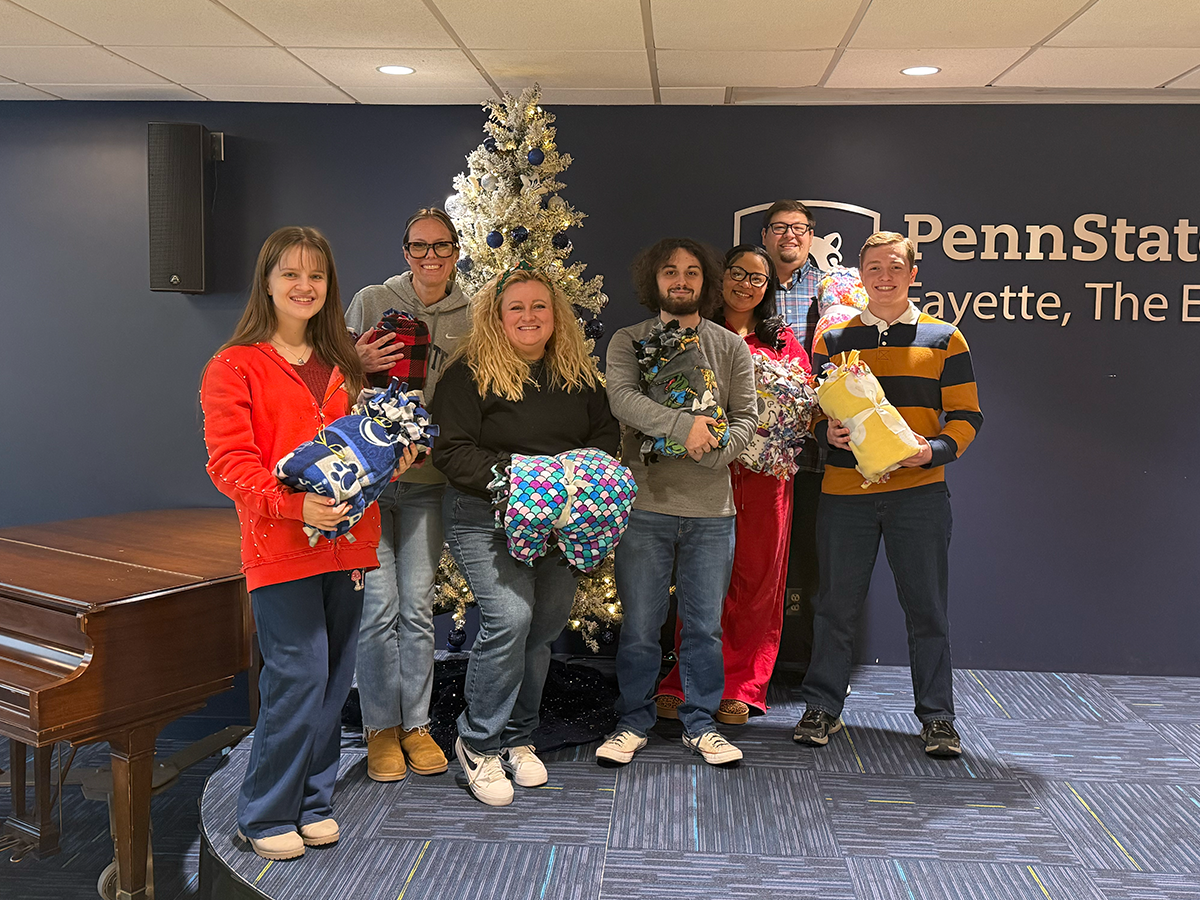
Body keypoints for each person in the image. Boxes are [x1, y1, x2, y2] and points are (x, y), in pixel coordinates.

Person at [201, 226, 419, 860]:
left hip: (349, 547)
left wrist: (392, 460)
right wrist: (297, 506)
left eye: (316, 276)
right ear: (267, 282)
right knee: (295, 678)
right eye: (291, 274)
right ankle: (265, 811)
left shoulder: (344, 365)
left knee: (332, 679)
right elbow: (230, 466)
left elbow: (364, 447)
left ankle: (313, 801)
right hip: (281, 548)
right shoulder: (233, 365)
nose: (304, 287)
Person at [432, 265, 620, 806]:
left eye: (539, 306)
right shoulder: (469, 375)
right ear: (496, 316)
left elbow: (605, 436)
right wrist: (526, 480)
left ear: (555, 315)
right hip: (485, 516)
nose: (529, 316)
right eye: (516, 307)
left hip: (563, 518)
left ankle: (519, 735)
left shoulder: (576, 375)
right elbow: (452, 451)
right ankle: (478, 743)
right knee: (509, 618)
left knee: (542, 626)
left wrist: (571, 482)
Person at [792, 232, 982, 757]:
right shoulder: (833, 341)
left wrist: (934, 451)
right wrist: (823, 433)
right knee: (833, 607)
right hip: (844, 491)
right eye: (873, 266)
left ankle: (938, 718)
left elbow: (967, 418)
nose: (884, 275)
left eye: (895, 266)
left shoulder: (946, 338)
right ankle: (823, 708)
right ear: (861, 274)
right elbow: (812, 412)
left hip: (918, 494)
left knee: (927, 611)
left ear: (912, 274)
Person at [598, 238, 757, 768]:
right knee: (641, 627)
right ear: (655, 281)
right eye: (671, 272)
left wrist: (711, 454)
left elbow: (746, 419)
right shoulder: (628, 340)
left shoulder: (730, 347)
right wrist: (683, 426)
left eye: (692, 272)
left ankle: (701, 723)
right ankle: (633, 721)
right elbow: (622, 400)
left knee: (704, 626)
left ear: (705, 282)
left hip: (712, 514)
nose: (681, 281)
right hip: (645, 508)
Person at [654, 244, 811, 724]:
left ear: (768, 289)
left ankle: (743, 682)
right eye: (737, 273)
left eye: (757, 279)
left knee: (758, 578)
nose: (746, 284)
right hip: (704, 470)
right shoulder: (692, 330)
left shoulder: (781, 339)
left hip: (764, 477)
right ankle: (684, 680)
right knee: (703, 579)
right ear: (720, 278)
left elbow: (803, 400)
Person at [344, 208, 471, 782]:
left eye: (441, 246)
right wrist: (355, 359)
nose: (430, 256)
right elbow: (328, 378)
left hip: (427, 484)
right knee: (377, 612)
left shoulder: (472, 314)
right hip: (370, 480)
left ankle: (416, 724)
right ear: (405, 251)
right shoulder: (373, 300)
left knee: (417, 609)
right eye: (419, 247)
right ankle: (379, 729)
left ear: (456, 250)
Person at [761, 200, 826, 675]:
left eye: (800, 228)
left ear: (811, 235)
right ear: (765, 235)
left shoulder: (834, 288)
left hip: (820, 440)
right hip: (758, 443)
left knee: (811, 549)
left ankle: (805, 657)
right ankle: (752, 655)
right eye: (781, 228)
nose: (791, 235)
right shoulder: (747, 284)